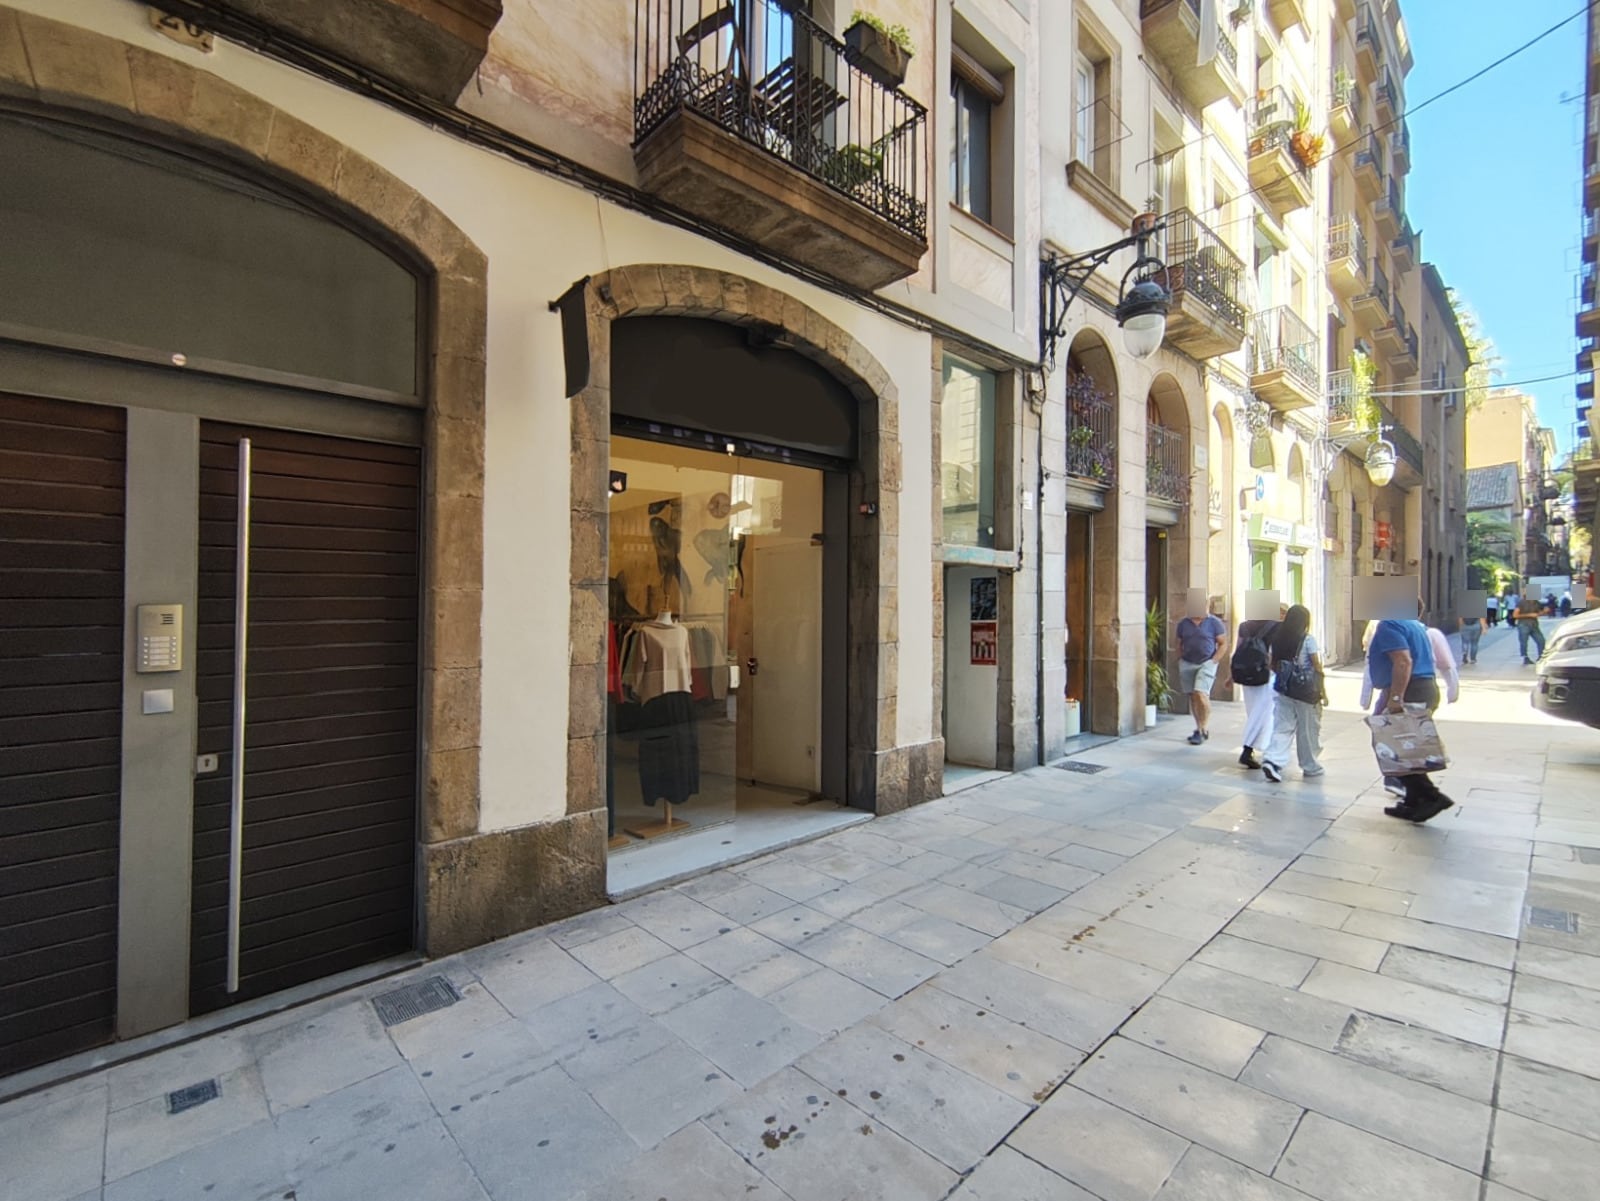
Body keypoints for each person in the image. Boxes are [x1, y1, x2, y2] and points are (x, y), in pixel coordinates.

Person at [1367, 616, 1453, 823]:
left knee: (1395, 746)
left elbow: (1403, 661)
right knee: (1405, 745)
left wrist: (1396, 698)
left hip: (1409, 690)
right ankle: (1414, 799)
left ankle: (1430, 795)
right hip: (1422, 687)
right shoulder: (1413, 623)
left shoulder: (1390, 624)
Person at [1261, 604, 1325, 783]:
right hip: (1306, 692)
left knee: (1282, 726)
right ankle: (1310, 765)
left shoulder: (1277, 638)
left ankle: (1273, 760)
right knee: (1307, 729)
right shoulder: (1308, 640)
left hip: (1283, 689)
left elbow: (1272, 664)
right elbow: (1317, 666)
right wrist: (1322, 690)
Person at [1231, 611, 1279, 769]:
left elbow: (1237, 649)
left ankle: (1254, 748)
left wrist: (1230, 674)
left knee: (1253, 711)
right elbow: (1273, 652)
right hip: (1265, 674)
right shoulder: (1275, 626)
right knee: (1263, 713)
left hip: (1246, 673)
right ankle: (1248, 748)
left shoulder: (1244, 626)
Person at [1176, 604, 1227, 745]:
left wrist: (1214, 660)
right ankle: (1198, 727)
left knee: (1201, 693)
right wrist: (1180, 658)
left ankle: (1203, 728)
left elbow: (1223, 643)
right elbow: (1179, 642)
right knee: (1193, 696)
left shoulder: (1214, 622)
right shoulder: (1183, 623)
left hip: (1206, 662)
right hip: (1187, 662)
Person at [1515, 592, 1547, 664]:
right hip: (1523, 624)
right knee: (1524, 642)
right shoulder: (1521, 603)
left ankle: (1541, 656)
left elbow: (1539, 613)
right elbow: (1515, 615)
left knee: (1541, 640)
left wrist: (1544, 612)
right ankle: (1525, 657)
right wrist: (1529, 615)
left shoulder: (1537, 603)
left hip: (1534, 625)